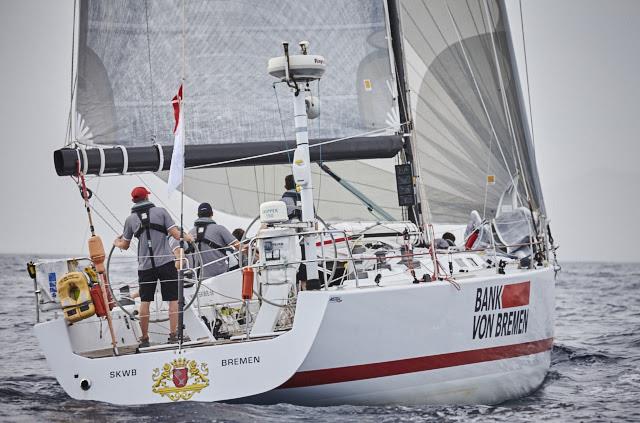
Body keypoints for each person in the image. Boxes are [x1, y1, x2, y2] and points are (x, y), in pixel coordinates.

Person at [113, 186, 192, 348]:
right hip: (165, 262)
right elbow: (177, 235)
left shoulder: (130, 220)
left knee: (145, 301)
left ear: (133, 200)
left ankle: (144, 338)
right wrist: (189, 238)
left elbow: (125, 245)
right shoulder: (161, 212)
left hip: (145, 267)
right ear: (147, 198)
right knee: (173, 300)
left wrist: (116, 242)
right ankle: (173, 335)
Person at [190, 202, 242, 279]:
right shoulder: (219, 229)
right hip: (220, 276)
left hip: (198, 279)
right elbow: (240, 247)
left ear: (198, 215)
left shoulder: (190, 233)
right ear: (212, 214)